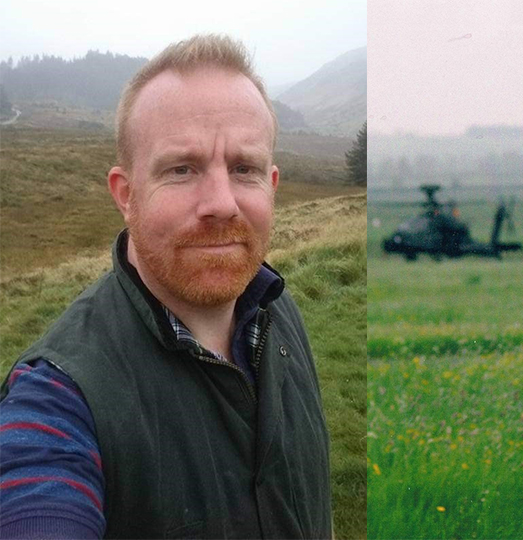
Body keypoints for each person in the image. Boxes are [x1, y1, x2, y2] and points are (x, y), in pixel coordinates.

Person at [0, 34, 333, 539]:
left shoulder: (279, 312)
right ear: (126, 194)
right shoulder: (58, 397)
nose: (222, 203)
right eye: (182, 169)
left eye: (244, 169)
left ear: (272, 185)